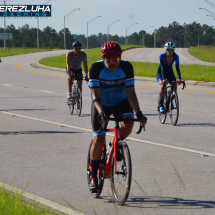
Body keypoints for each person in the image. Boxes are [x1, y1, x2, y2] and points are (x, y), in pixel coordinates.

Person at [88, 41, 147, 190]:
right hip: (101, 104)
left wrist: (139, 113)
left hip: (121, 101)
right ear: (103, 57)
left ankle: (116, 144)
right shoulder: (96, 68)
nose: (114, 62)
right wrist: (101, 112)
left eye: (117, 59)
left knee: (129, 122)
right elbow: (95, 95)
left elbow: (131, 94)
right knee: (99, 138)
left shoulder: (126, 67)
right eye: (110, 59)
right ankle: (94, 175)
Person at [156, 42, 182, 113]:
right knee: (163, 86)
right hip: (161, 72)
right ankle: (161, 105)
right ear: (165, 50)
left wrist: (179, 78)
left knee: (174, 85)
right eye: (168, 50)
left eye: (171, 50)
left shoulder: (176, 57)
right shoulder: (162, 56)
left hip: (170, 72)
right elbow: (162, 68)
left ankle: (170, 101)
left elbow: (177, 68)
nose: (170, 52)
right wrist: (164, 79)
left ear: (173, 50)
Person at [66, 41, 89, 109]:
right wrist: (70, 76)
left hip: (78, 69)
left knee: (80, 84)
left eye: (79, 48)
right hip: (71, 68)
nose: (78, 50)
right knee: (71, 78)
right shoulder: (69, 54)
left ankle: (78, 101)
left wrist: (86, 75)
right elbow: (68, 66)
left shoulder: (83, 55)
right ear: (73, 48)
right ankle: (69, 93)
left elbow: (85, 66)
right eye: (76, 48)